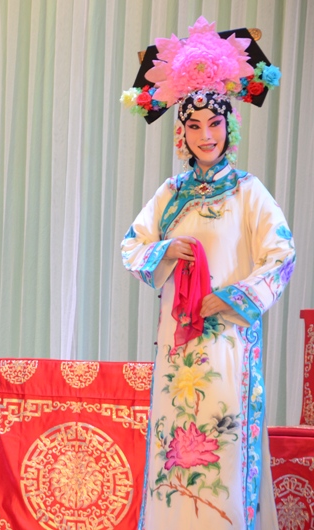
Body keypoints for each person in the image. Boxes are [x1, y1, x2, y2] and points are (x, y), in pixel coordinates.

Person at [120, 18, 294, 530]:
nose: (205, 136)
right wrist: (165, 249)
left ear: (228, 128)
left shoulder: (247, 191)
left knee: (224, 439)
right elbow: (132, 246)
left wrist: (234, 297)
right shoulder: (171, 193)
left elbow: (281, 254)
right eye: (193, 126)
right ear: (181, 132)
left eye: (214, 124)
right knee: (174, 447)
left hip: (228, 342)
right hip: (178, 347)